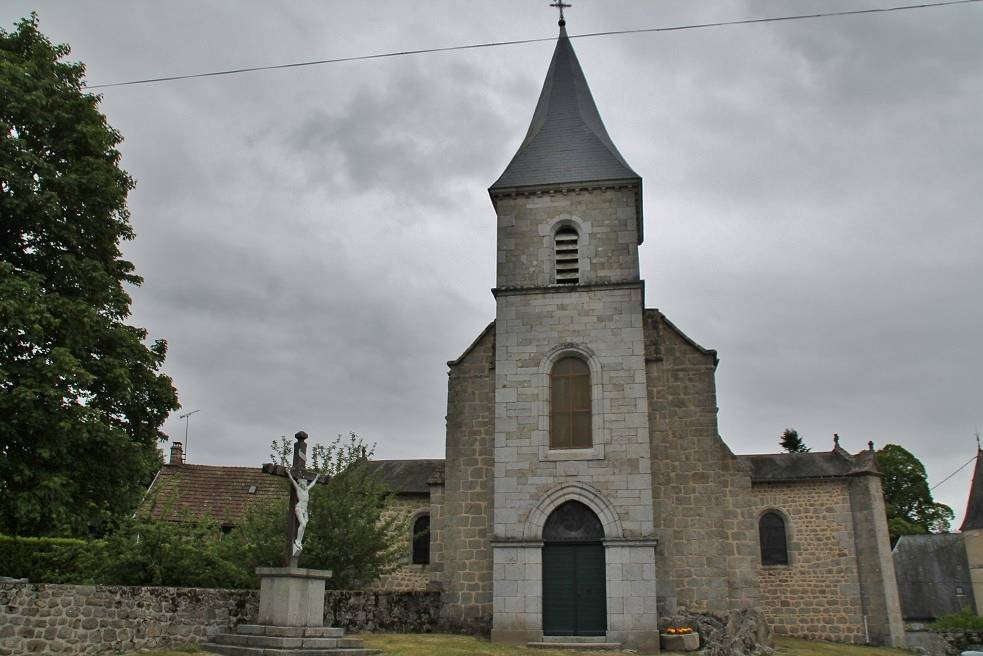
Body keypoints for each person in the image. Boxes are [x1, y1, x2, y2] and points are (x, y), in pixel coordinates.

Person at [285, 468, 319, 556]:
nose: (305, 484)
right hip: (299, 508)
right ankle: (297, 540)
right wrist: (289, 473)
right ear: (300, 484)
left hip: (305, 510)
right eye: (303, 483)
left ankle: (299, 541)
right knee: (303, 524)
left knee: (305, 525)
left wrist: (316, 478)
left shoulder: (306, 490)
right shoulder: (298, 489)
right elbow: (293, 481)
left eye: (305, 483)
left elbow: (312, 484)